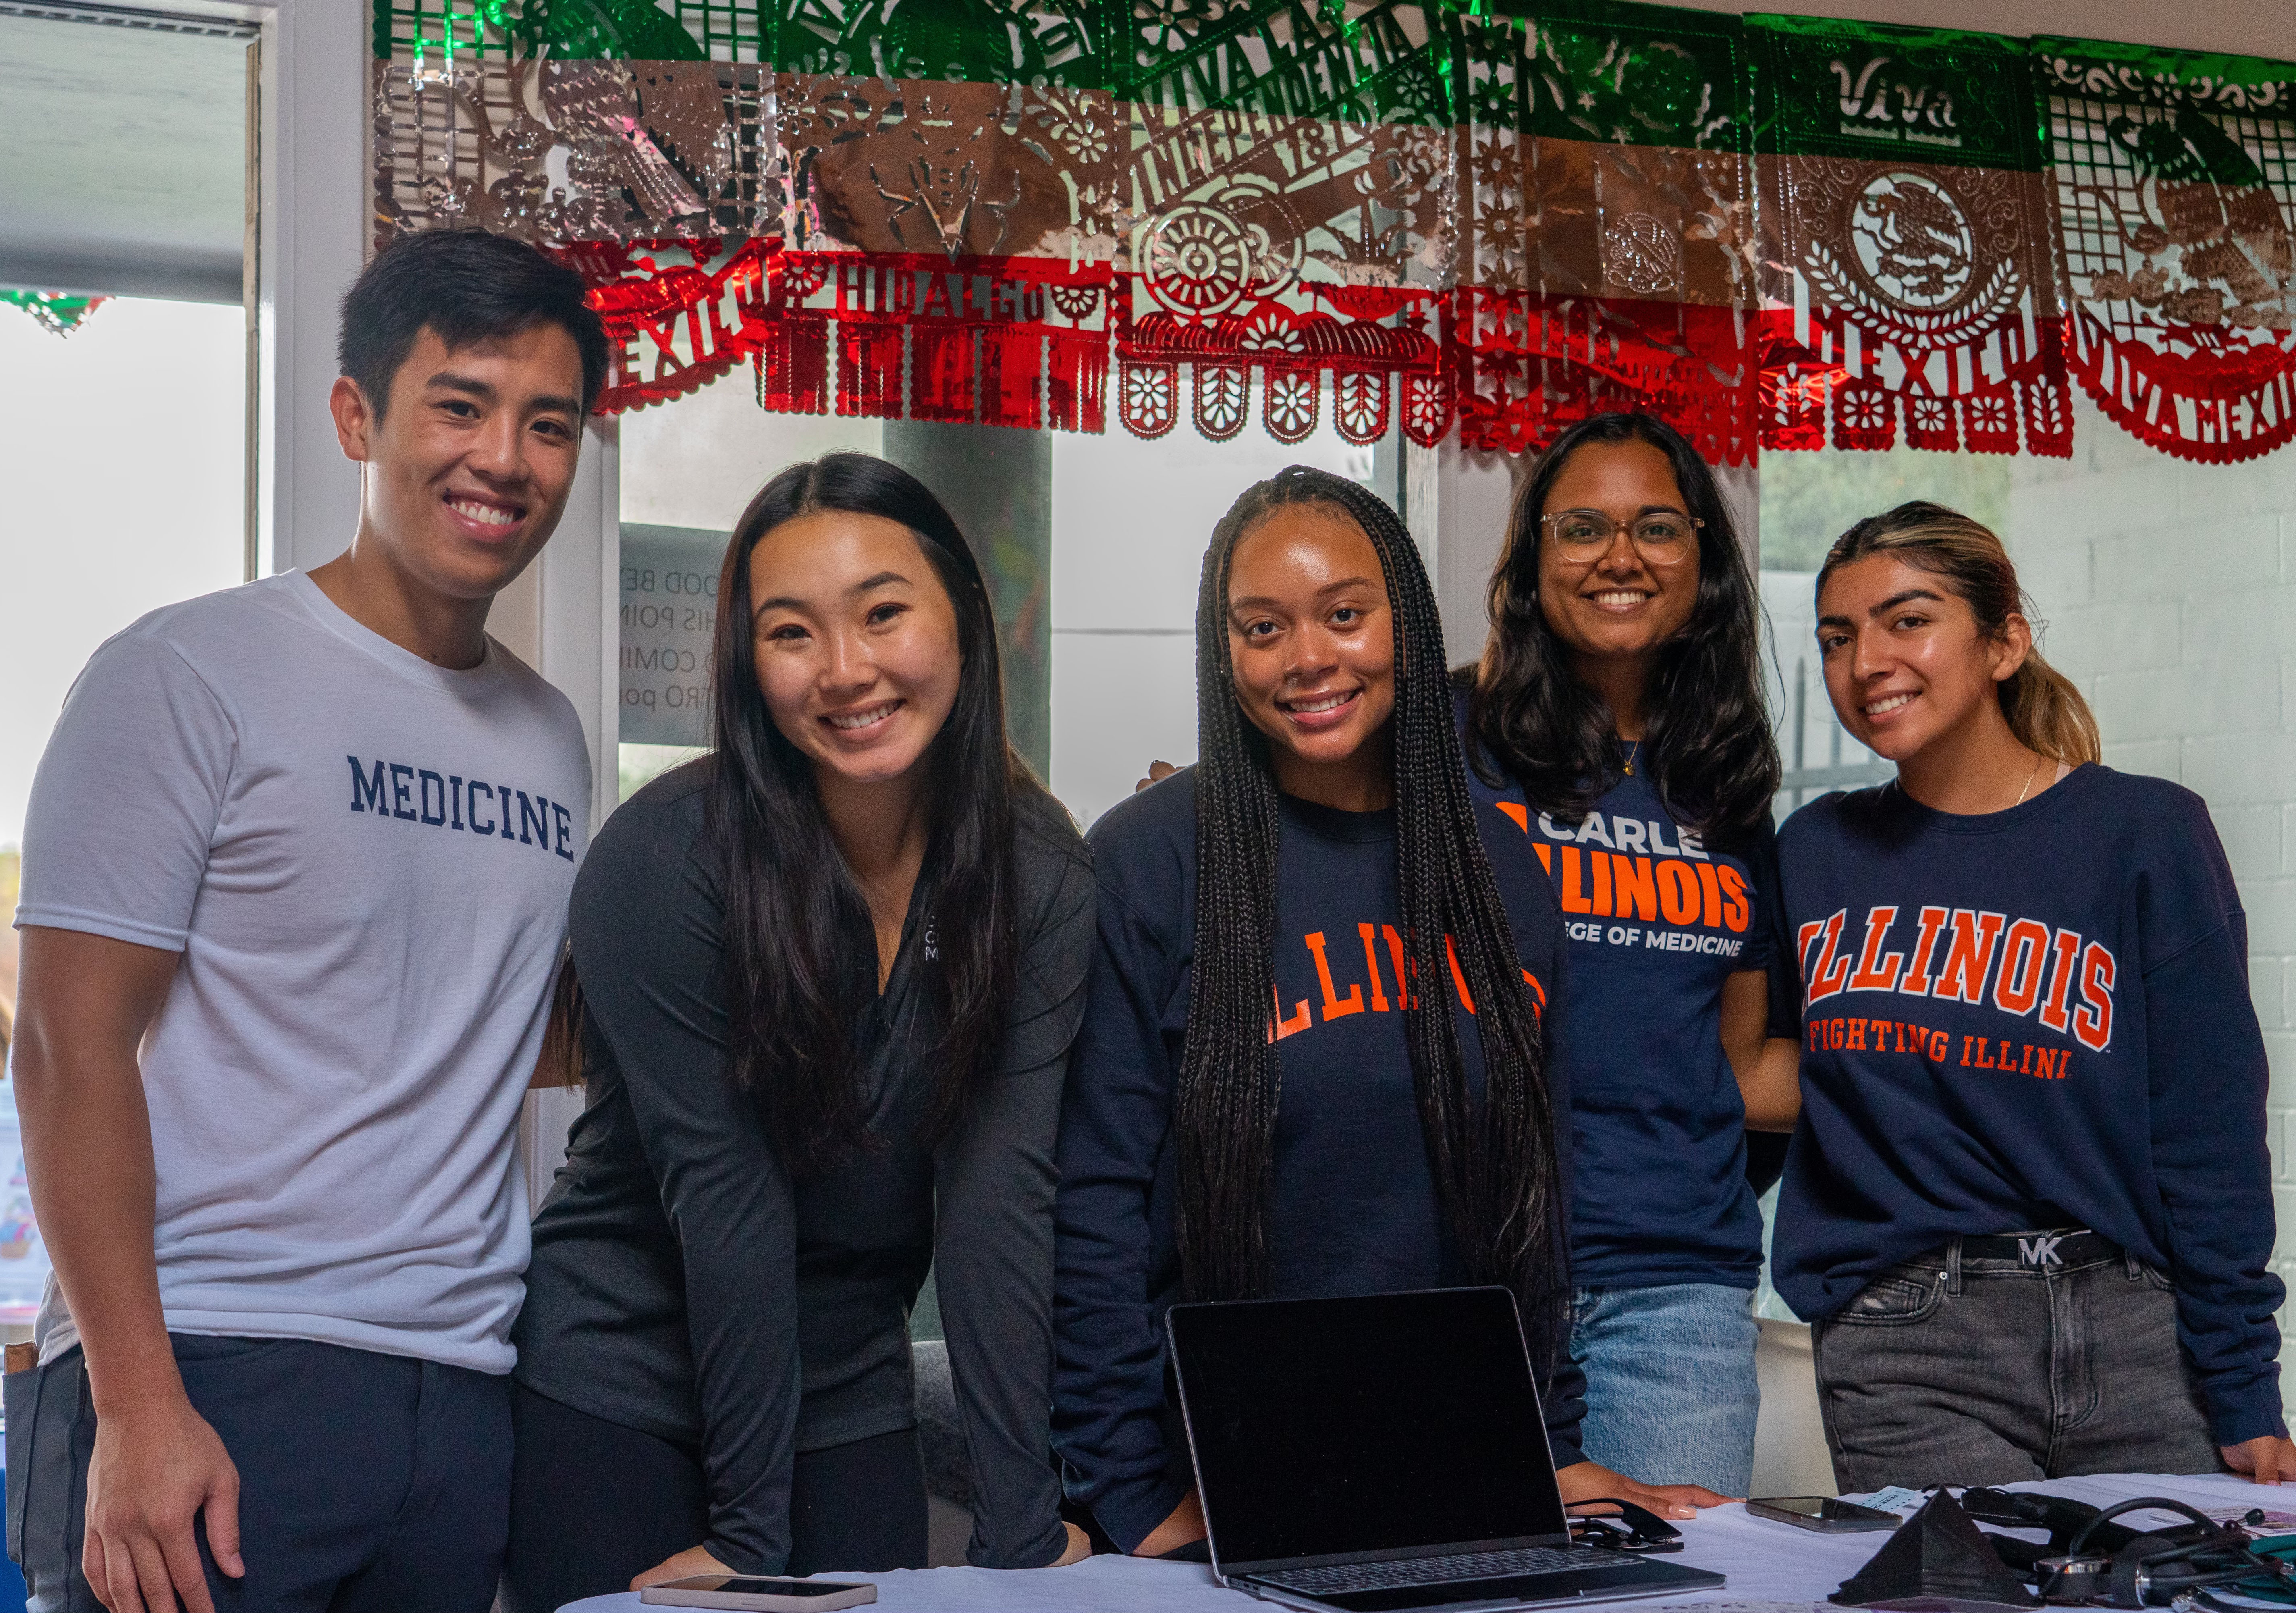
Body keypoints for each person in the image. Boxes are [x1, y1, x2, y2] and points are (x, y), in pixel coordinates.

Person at [8, 227, 606, 1613]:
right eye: (458, 405)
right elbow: (67, 1050)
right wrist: (139, 1405)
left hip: (461, 1389)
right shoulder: (188, 674)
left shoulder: (548, 736)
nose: (502, 458)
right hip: (212, 1361)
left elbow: (470, 1034)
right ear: (357, 415)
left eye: (547, 423)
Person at [1055, 465, 1715, 1564]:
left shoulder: (1498, 866)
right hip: (1216, 1476)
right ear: (1224, 653)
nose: (1307, 657)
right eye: (1262, 627)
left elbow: (1530, 1192)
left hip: (1455, 1469)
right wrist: (1130, 1495)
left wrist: (1550, 1446)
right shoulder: (1148, 861)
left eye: (1345, 615)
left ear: (1404, 624)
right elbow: (1090, 1207)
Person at [502, 453, 1094, 1613]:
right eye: (790, 633)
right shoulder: (667, 858)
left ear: (964, 624)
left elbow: (995, 1203)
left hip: (848, 1391)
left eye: (884, 614)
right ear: (746, 665)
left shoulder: (1040, 871)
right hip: (620, 1378)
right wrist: (748, 1541)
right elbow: (728, 1199)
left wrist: (1024, 1533)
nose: (846, 670)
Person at [1774, 501, 2295, 1489]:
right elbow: (1756, 1072)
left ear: (2003, 641)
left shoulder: (2144, 833)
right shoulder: (1816, 853)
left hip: (2137, 1332)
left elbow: (2206, 1129)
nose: (1866, 662)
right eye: (1836, 638)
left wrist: (2242, 1387)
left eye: (1908, 619)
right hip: (1910, 1343)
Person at [1462, 412, 1797, 1496]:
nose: (1619, 556)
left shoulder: (1726, 779)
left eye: (1656, 526)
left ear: (1701, 558)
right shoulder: (1447, 741)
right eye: (1582, 528)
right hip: (1475, 1276)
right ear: (1531, 562)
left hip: (1674, 1298)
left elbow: (1737, 1063)